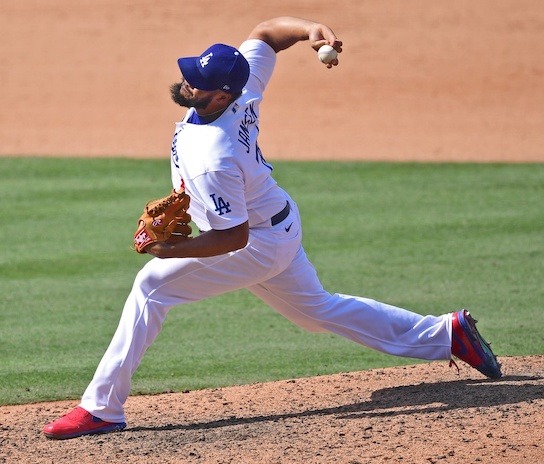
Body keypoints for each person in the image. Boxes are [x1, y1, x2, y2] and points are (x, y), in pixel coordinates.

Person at [43, 16, 502, 439]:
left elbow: (232, 238)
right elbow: (264, 35)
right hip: (276, 222)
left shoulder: (214, 157)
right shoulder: (242, 91)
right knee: (316, 311)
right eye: (190, 75)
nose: (187, 84)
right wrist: (311, 30)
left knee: (150, 287)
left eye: (196, 84)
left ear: (220, 95)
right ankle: (447, 333)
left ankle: (102, 408)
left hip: (256, 241)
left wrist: (169, 252)